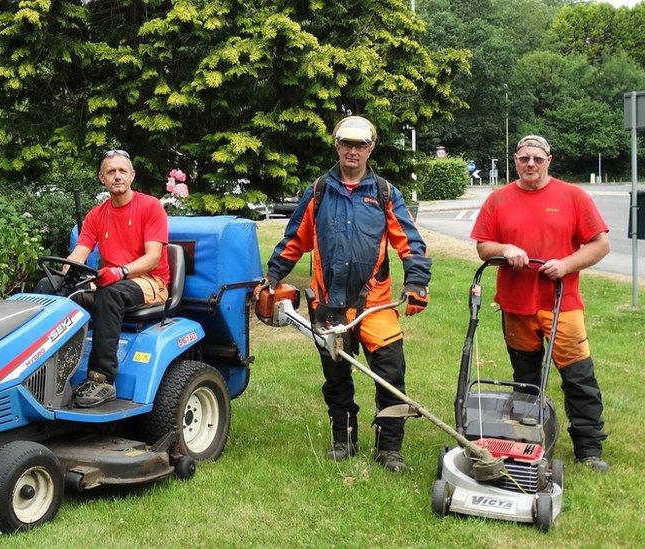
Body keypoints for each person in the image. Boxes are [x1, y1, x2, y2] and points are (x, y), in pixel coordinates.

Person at [261, 116, 431, 472]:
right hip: (328, 306)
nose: (353, 151)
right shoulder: (320, 190)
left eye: (360, 145)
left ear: (371, 149)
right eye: (346, 144)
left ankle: (389, 448)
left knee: (391, 375)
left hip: (376, 305)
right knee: (336, 378)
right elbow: (295, 239)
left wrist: (416, 283)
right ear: (337, 146)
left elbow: (410, 243)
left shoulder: (385, 193)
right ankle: (345, 439)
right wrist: (273, 276)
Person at [471, 134, 611, 473]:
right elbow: (483, 246)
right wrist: (505, 249)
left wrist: (565, 265)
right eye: (524, 158)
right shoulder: (498, 199)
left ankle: (589, 448)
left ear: (549, 159)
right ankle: (526, 437)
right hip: (516, 305)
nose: (530, 164)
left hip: (563, 305)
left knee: (578, 377)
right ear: (515, 160)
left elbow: (600, 244)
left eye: (537, 158)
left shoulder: (573, 196)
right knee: (526, 379)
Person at [37, 149, 170, 408]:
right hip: (108, 279)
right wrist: (61, 280)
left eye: (122, 171)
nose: (117, 176)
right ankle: (44, 367)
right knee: (48, 287)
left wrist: (120, 271)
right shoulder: (96, 214)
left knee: (110, 293)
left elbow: (153, 257)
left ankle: (102, 378)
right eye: (111, 172)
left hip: (149, 281)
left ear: (132, 175)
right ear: (102, 178)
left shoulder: (150, 207)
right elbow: (79, 253)